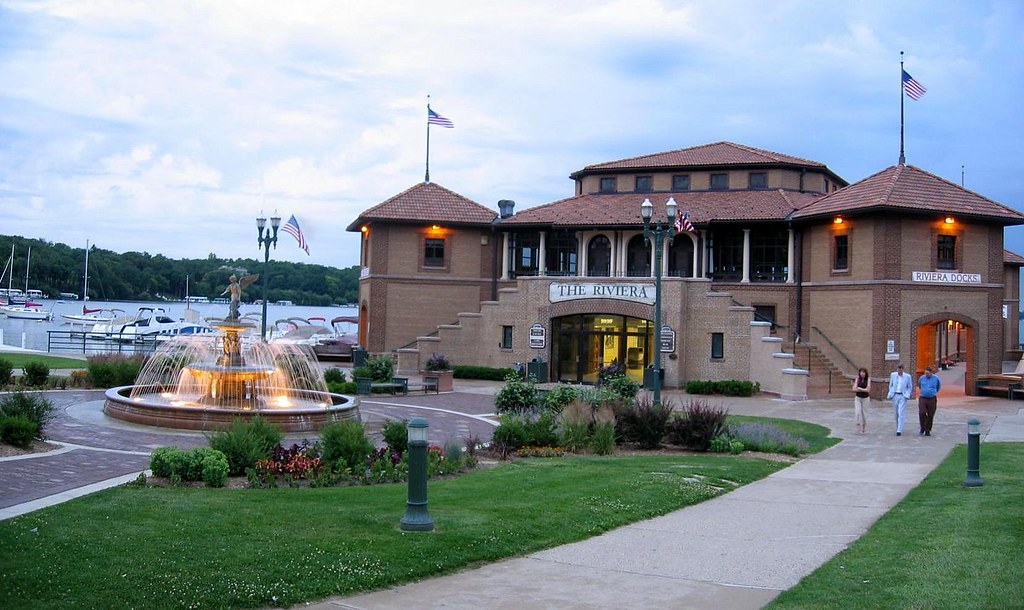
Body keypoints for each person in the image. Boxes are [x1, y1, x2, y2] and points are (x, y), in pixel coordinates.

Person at [887, 363, 914, 436]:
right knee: (896, 413)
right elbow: (891, 385)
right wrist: (891, 392)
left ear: (903, 369)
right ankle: (897, 426)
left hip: (902, 395)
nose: (899, 370)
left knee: (901, 412)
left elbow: (909, 386)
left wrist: (907, 394)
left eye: (901, 369)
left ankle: (899, 430)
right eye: (898, 369)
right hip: (895, 395)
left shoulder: (907, 376)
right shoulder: (893, 375)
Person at [917, 366, 941, 436]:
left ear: (931, 373)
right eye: (925, 373)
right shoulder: (922, 378)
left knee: (930, 414)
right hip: (923, 397)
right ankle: (922, 427)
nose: (926, 375)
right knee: (922, 412)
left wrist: (933, 392)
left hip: (932, 398)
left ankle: (928, 430)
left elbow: (938, 387)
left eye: (928, 373)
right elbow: (919, 385)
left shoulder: (936, 379)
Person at [852, 367, 871, 434]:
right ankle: (858, 426)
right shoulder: (857, 379)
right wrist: (863, 389)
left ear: (866, 373)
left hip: (865, 399)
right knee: (857, 412)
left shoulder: (868, 379)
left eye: (863, 372)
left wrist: (859, 388)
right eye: (861, 372)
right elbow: (854, 389)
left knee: (864, 414)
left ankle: (864, 426)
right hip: (858, 398)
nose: (862, 374)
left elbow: (868, 390)